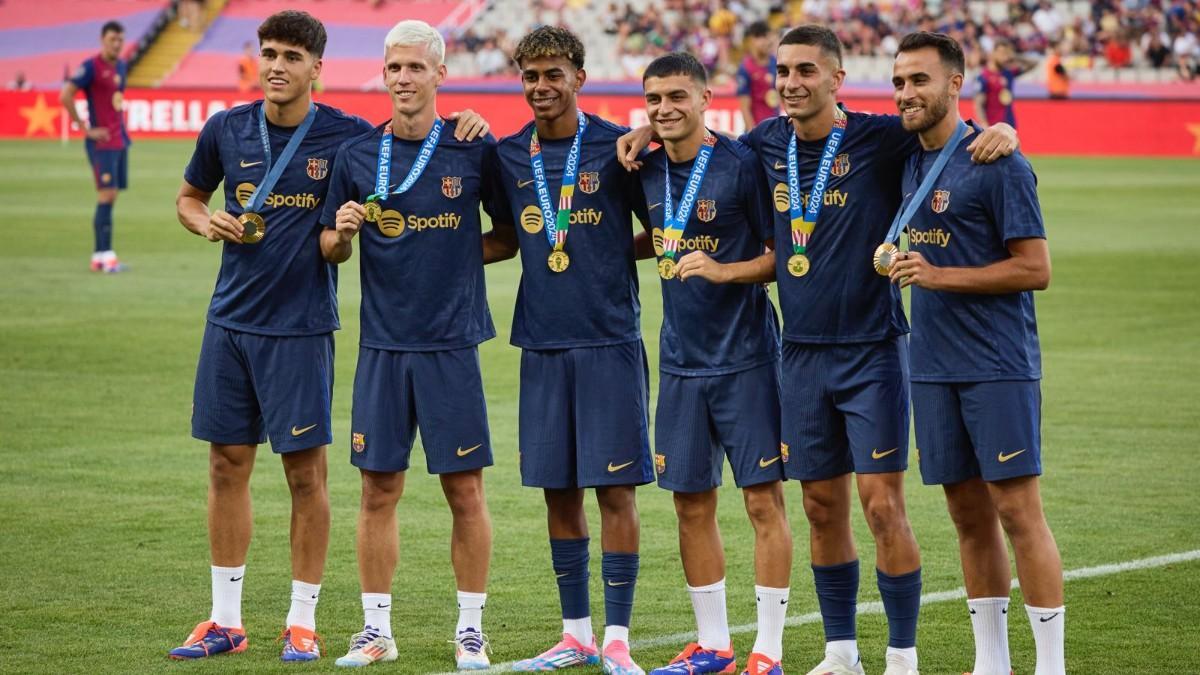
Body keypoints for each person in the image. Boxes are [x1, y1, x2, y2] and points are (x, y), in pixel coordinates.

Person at [617, 24, 1017, 675]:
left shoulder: (879, 140)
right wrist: (642, 134)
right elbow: (699, 150)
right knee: (820, 505)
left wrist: (1001, 131)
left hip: (873, 351)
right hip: (799, 357)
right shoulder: (762, 147)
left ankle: (902, 654)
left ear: (837, 78)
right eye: (783, 72)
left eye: (806, 71)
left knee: (883, 504)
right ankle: (840, 651)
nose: (792, 83)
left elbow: (946, 139)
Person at [170, 9, 485, 662]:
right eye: (269, 52)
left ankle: (302, 619)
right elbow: (188, 197)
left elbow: (348, 232)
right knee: (225, 465)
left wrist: (466, 125)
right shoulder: (225, 129)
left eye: (291, 55)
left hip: (302, 327)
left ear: (318, 67)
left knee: (306, 476)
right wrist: (204, 223)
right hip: (227, 322)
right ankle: (225, 618)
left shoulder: (345, 139)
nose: (277, 65)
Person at [317, 19, 502, 670]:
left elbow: (508, 233)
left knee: (465, 493)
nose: (402, 78)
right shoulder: (359, 156)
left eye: (415, 67)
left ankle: (471, 629)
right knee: (376, 492)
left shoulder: (474, 147)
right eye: (393, 67)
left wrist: (456, 259)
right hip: (384, 348)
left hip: (452, 343)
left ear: (439, 75)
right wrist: (340, 234)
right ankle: (375, 630)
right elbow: (330, 247)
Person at [889, 31, 1064, 675]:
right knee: (967, 517)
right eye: (900, 81)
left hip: (997, 364)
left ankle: (1050, 665)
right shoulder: (905, 158)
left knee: (1018, 511)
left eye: (920, 81)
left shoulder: (999, 162)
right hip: (931, 366)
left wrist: (938, 276)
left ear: (955, 84)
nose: (907, 93)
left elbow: (1035, 269)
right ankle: (991, 664)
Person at [485, 25, 654, 675]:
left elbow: (657, 230)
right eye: (530, 76)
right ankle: (575, 632)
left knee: (615, 490)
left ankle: (616, 636)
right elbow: (503, 234)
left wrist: (614, 252)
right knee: (557, 490)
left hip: (608, 338)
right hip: (542, 340)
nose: (541, 87)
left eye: (553, 74)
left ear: (579, 77)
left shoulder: (619, 148)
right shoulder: (506, 156)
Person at [634, 52, 793, 675]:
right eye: (654, 101)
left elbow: (781, 254)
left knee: (762, 503)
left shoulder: (741, 164)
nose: (666, 109)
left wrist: (726, 269)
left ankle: (768, 651)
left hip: (747, 357)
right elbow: (653, 231)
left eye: (677, 96)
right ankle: (715, 646)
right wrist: (636, 138)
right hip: (679, 361)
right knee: (689, 503)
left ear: (705, 98)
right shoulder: (642, 167)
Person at [60, 20, 129, 273]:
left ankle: (101, 256)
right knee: (106, 194)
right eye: (112, 39)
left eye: (120, 39)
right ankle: (104, 255)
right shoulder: (91, 66)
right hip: (101, 142)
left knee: (111, 196)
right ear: (102, 40)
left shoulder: (121, 65)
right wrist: (84, 128)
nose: (117, 44)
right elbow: (65, 94)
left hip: (119, 139)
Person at [973, 40, 1035, 128]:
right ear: (993, 53)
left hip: (1009, 124)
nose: (1004, 56)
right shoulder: (983, 76)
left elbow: (1033, 64)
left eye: (1006, 53)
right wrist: (984, 125)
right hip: (993, 126)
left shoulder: (1008, 73)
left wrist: (1014, 56)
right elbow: (979, 104)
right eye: (1002, 53)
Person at [736, 21, 779, 130]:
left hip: (775, 128)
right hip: (757, 129)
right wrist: (751, 132)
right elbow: (744, 106)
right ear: (753, 40)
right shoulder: (746, 67)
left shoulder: (776, 63)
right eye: (762, 37)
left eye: (767, 37)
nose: (766, 42)